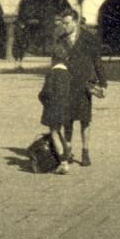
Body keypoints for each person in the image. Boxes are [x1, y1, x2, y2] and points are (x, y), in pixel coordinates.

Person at [58, 9, 107, 167]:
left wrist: (103, 83)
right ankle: (68, 150)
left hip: (84, 84)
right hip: (66, 84)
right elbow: (55, 62)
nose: (64, 26)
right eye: (63, 23)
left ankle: (85, 152)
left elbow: (97, 61)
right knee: (67, 119)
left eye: (66, 23)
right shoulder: (60, 40)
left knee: (85, 120)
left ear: (75, 22)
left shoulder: (88, 38)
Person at [37, 42, 71, 174]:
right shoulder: (68, 74)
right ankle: (65, 155)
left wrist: (42, 99)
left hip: (53, 108)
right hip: (66, 107)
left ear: (54, 58)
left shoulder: (52, 74)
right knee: (59, 131)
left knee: (54, 132)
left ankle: (63, 162)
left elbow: (46, 92)